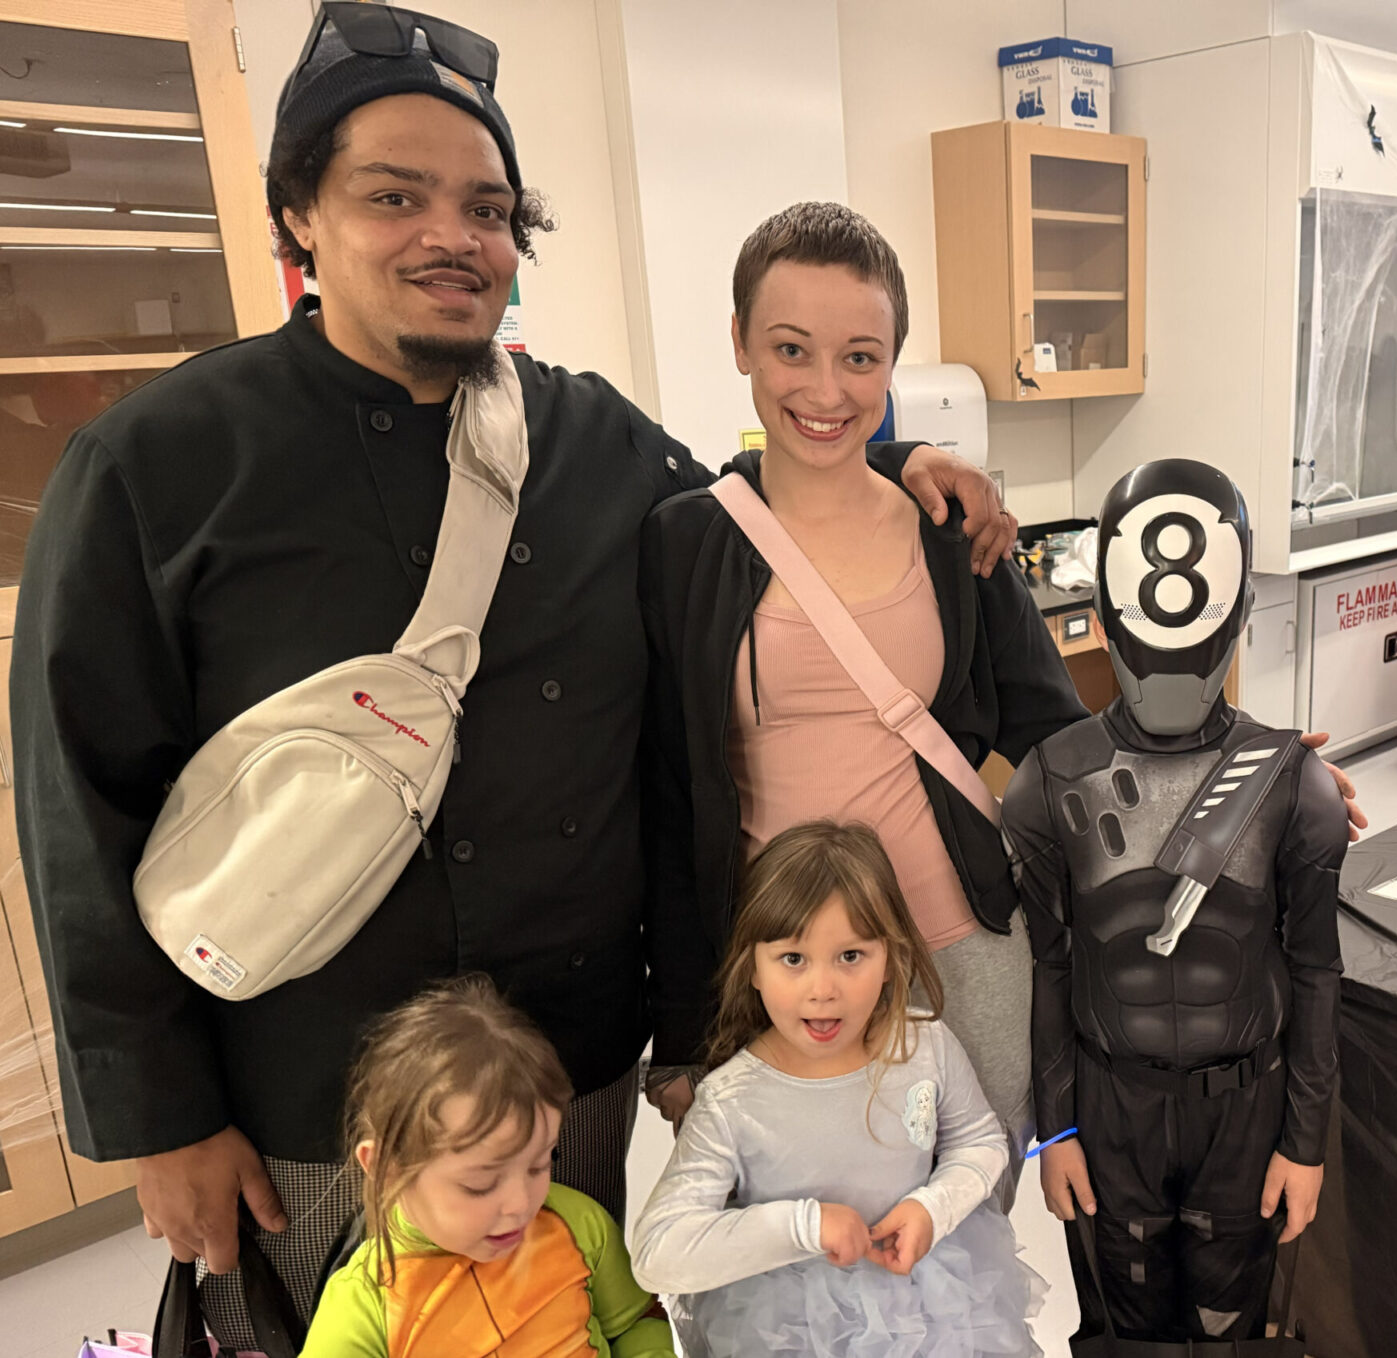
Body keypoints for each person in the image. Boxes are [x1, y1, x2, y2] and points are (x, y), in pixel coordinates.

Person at [10, 7, 1008, 1343]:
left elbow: (760, 517)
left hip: (561, 1078)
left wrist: (900, 472)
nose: (451, 235)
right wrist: (159, 1113)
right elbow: (82, 804)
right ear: (297, 215)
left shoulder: (591, 438)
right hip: (311, 1100)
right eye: (393, 196)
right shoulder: (159, 462)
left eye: (487, 207)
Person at [637, 203, 1086, 1202]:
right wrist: (678, 1031)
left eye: (860, 356)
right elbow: (671, 796)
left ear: (893, 362)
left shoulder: (947, 524)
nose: (826, 390)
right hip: (783, 971)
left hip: (959, 947)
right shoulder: (683, 543)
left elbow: (1057, 730)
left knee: (959, 1243)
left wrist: (1229, 767)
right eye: (791, 349)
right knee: (801, 1264)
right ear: (741, 344)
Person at [1005, 459, 1350, 1345]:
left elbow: (1315, 972)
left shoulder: (1296, 786)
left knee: (1229, 1329)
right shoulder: (1046, 783)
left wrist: (1304, 1143)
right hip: (1108, 1104)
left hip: (1247, 1108)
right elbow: (1046, 968)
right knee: (1122, 1331)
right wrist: (1056, 1135)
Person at [630, 820, 1041, 1357]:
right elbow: (657, 1251)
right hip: (786, 1334)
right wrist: (804, 1225)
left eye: (850, 956)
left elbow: (981, 1142)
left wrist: (932, 1208)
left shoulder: (922, 1045)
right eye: (793, 959)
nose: (823, 991)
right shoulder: (731, 1100)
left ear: (891, 958)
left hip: (931, 1314)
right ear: (751, 967)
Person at [303, 978, 670, 1356]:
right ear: (387, 1168)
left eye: (540, 1164)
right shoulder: (364, 1304)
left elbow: (637, 1322)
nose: (521, 1204)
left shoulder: (579, 1224)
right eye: (480, 1184)